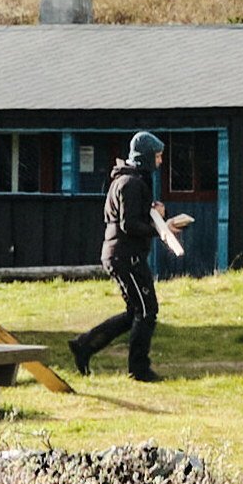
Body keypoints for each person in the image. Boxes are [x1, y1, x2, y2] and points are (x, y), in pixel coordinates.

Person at [68, 132, 183, 379]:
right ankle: (139, 369)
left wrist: (155, 213)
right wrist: (160, 229)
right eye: (157, 156)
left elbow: (132, 215)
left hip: (120, 254)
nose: (160, 161)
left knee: (135, 312)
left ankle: (85, 345)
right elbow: (129, 224)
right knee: (147, 310)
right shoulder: (131, 183)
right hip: (126, 256)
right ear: (145, 157)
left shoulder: (128, 180)